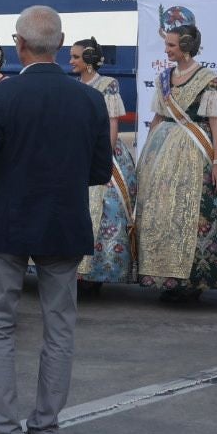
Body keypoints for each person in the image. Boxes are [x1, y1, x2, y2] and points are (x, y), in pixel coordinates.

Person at [0, 6, 112, 434]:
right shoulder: (89, 99)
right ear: (61, 46)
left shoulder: (4, 97)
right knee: (60, 327)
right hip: (64, 223)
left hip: (9, 224)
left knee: (0, 325)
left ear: (19, 45)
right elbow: (100, 170)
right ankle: (44, 431)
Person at [135, 24, 217, 302]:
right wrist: (145, 157)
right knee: (162, 215)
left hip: (195, 153)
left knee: (192, 215)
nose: (167, 50)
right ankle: (165, 277)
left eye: (172, 46)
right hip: (162, 151)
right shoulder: (164, 77)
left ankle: (192, 282)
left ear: (186, 48)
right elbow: (158, 118)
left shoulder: (209, 79)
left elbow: (214, 123)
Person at [68, 37, 138, 289]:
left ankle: (96, 273)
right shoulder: (75, 85)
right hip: (78, 151)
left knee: (105, 209)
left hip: (100, 152)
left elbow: (112, 123)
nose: (71, 61)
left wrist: (103, 156)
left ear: (88, 60)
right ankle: (76, 271)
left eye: (75, 56)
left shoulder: (108, 84)